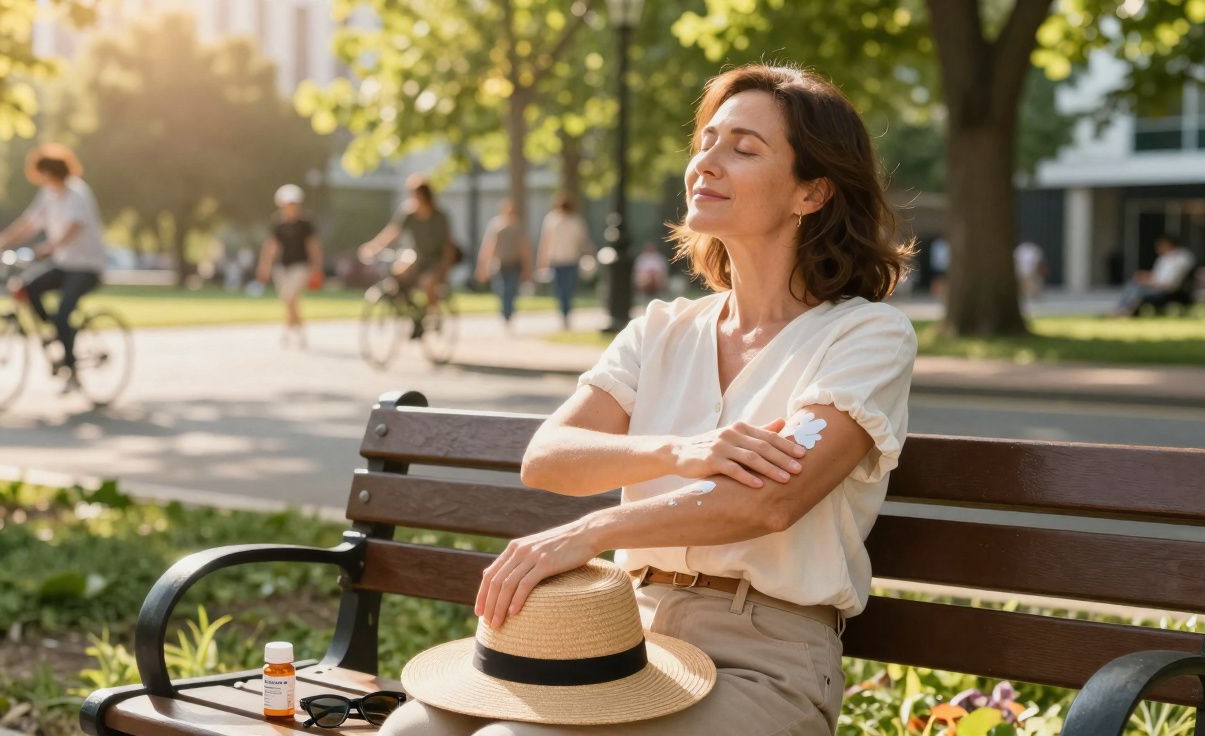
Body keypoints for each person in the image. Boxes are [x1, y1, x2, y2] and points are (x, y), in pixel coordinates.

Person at [381, 63, 917, 736]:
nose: (706, 164)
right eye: (707, 142)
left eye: (743, 149)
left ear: (811, 192)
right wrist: (682, 451)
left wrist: (594, 530)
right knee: (411, 731)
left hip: (766, 659)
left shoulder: (866, 335)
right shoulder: (663, 329)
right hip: (626, 639)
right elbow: (549, 457)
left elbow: (770, 499)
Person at [0, 143, 106, 393]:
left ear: (53, 172)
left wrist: (50, 246)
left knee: (62, 314)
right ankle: (58, 332)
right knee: (27, 288)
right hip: (63, 264)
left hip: (86, 266)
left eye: (44, 174)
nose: (42, 179)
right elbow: (28, 223)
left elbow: (75, 227)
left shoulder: (77, 193)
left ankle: (71, 371)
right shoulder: (49, 194)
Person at [358, 175, 460, 337]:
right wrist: (373, 247)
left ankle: (432, 315)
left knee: (428, 283)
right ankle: (412, 313)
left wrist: (445, 269)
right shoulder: (408, 213)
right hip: (417, 257)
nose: (412, 199)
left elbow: (448, 245)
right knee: (398, 272)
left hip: (436, 260)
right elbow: (392, 232)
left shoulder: (439, 217)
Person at [257, 184, 323, 348]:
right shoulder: (278, 224)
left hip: (300, 266)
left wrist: (317, 267)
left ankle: (291, 332)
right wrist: (264, 266)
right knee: (289, 301)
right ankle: (296, 329)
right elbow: (271, 247)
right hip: (282, 267)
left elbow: (313, 246)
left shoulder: (305, 224)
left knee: (290, 297)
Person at [535, 193, 591, 329]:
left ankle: (566, 313)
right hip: (559, 261)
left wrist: (541, 261)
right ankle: (564, 313)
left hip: (570, 260)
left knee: (567, 289)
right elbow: (546, 242)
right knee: (562, 289)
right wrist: (542, 260)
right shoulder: (553, 220)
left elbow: (582, 241)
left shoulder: (574, 221)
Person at [476, 200, 533, 332]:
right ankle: (505, 312)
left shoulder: (518, 227)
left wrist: (527, 267)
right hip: (500, 264)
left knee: (511, 290)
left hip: (514, 264)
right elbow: (488, 247)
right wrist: (483, 266)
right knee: (501, 290)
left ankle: (509, 314)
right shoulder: (496, 226)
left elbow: (524, 249)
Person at [1112, 234, 1196, 316]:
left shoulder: (1182, 258)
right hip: (1158, 286)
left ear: (1169, 244)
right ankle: (1122, 309)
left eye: (1161, 245)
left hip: (1169, 291)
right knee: (1133, 283)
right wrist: (1144, 277)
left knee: (1137, 289)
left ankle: (1126, 311)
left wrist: (1150, 282)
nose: (1158, 248)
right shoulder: (1164, 258)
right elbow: (1157, 276)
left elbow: (1170, 283)